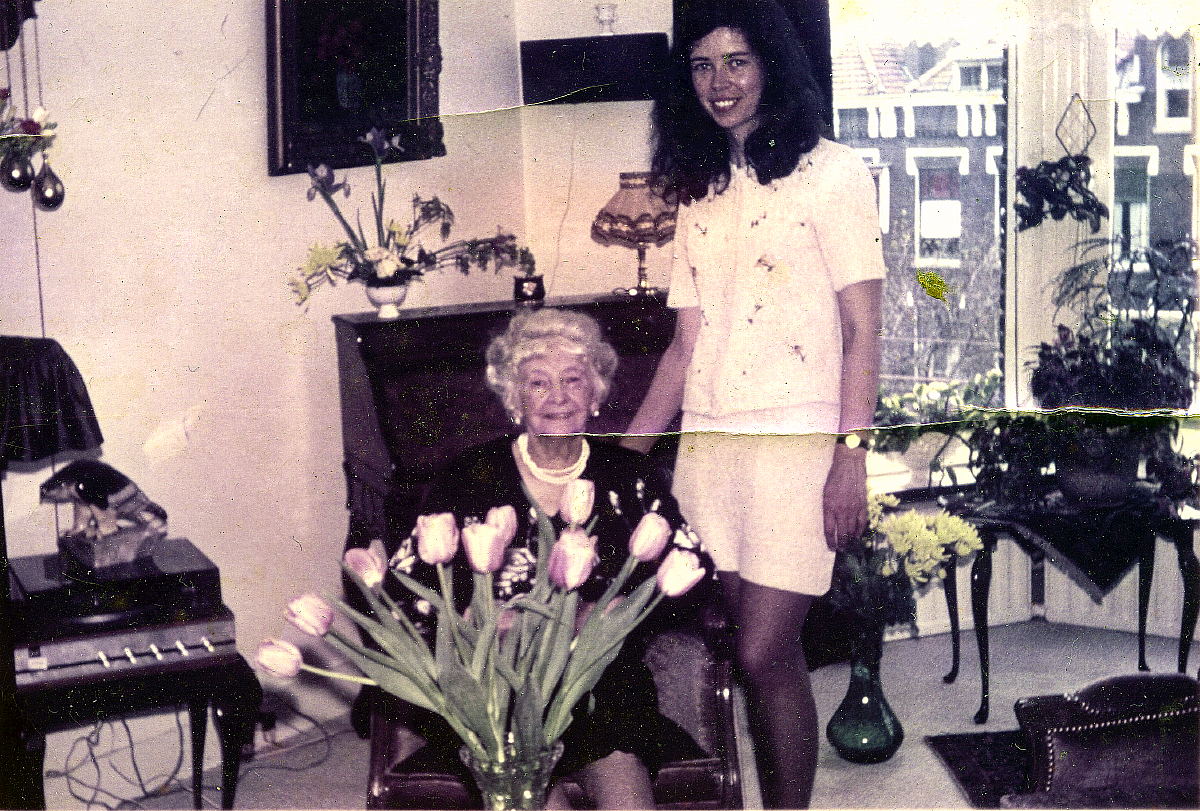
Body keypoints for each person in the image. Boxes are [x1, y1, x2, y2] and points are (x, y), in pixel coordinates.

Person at [623, 0, 886, 806]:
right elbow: (683, 345)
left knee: (770, 652)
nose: (720, 82)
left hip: (798, 443)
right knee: (744, 651)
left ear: (772, 65)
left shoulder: (835, 173)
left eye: (737, 61)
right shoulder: (698, 189)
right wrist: (617, 458)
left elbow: (862, 328)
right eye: (702, 66)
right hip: (711, 445)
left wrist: (851, 457)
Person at [383, 307, 710, 810]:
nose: (557, 397)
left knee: (626, 790)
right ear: (515, 399)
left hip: (600, 683)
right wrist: (475, 622)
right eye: (538, 383)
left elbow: (693, 570)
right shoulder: (467, 477)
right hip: (494, 688)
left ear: (595, 394)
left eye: (573, 380)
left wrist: (616, 611)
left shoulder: (629, 478)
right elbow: (405, 587)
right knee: (533, 799)